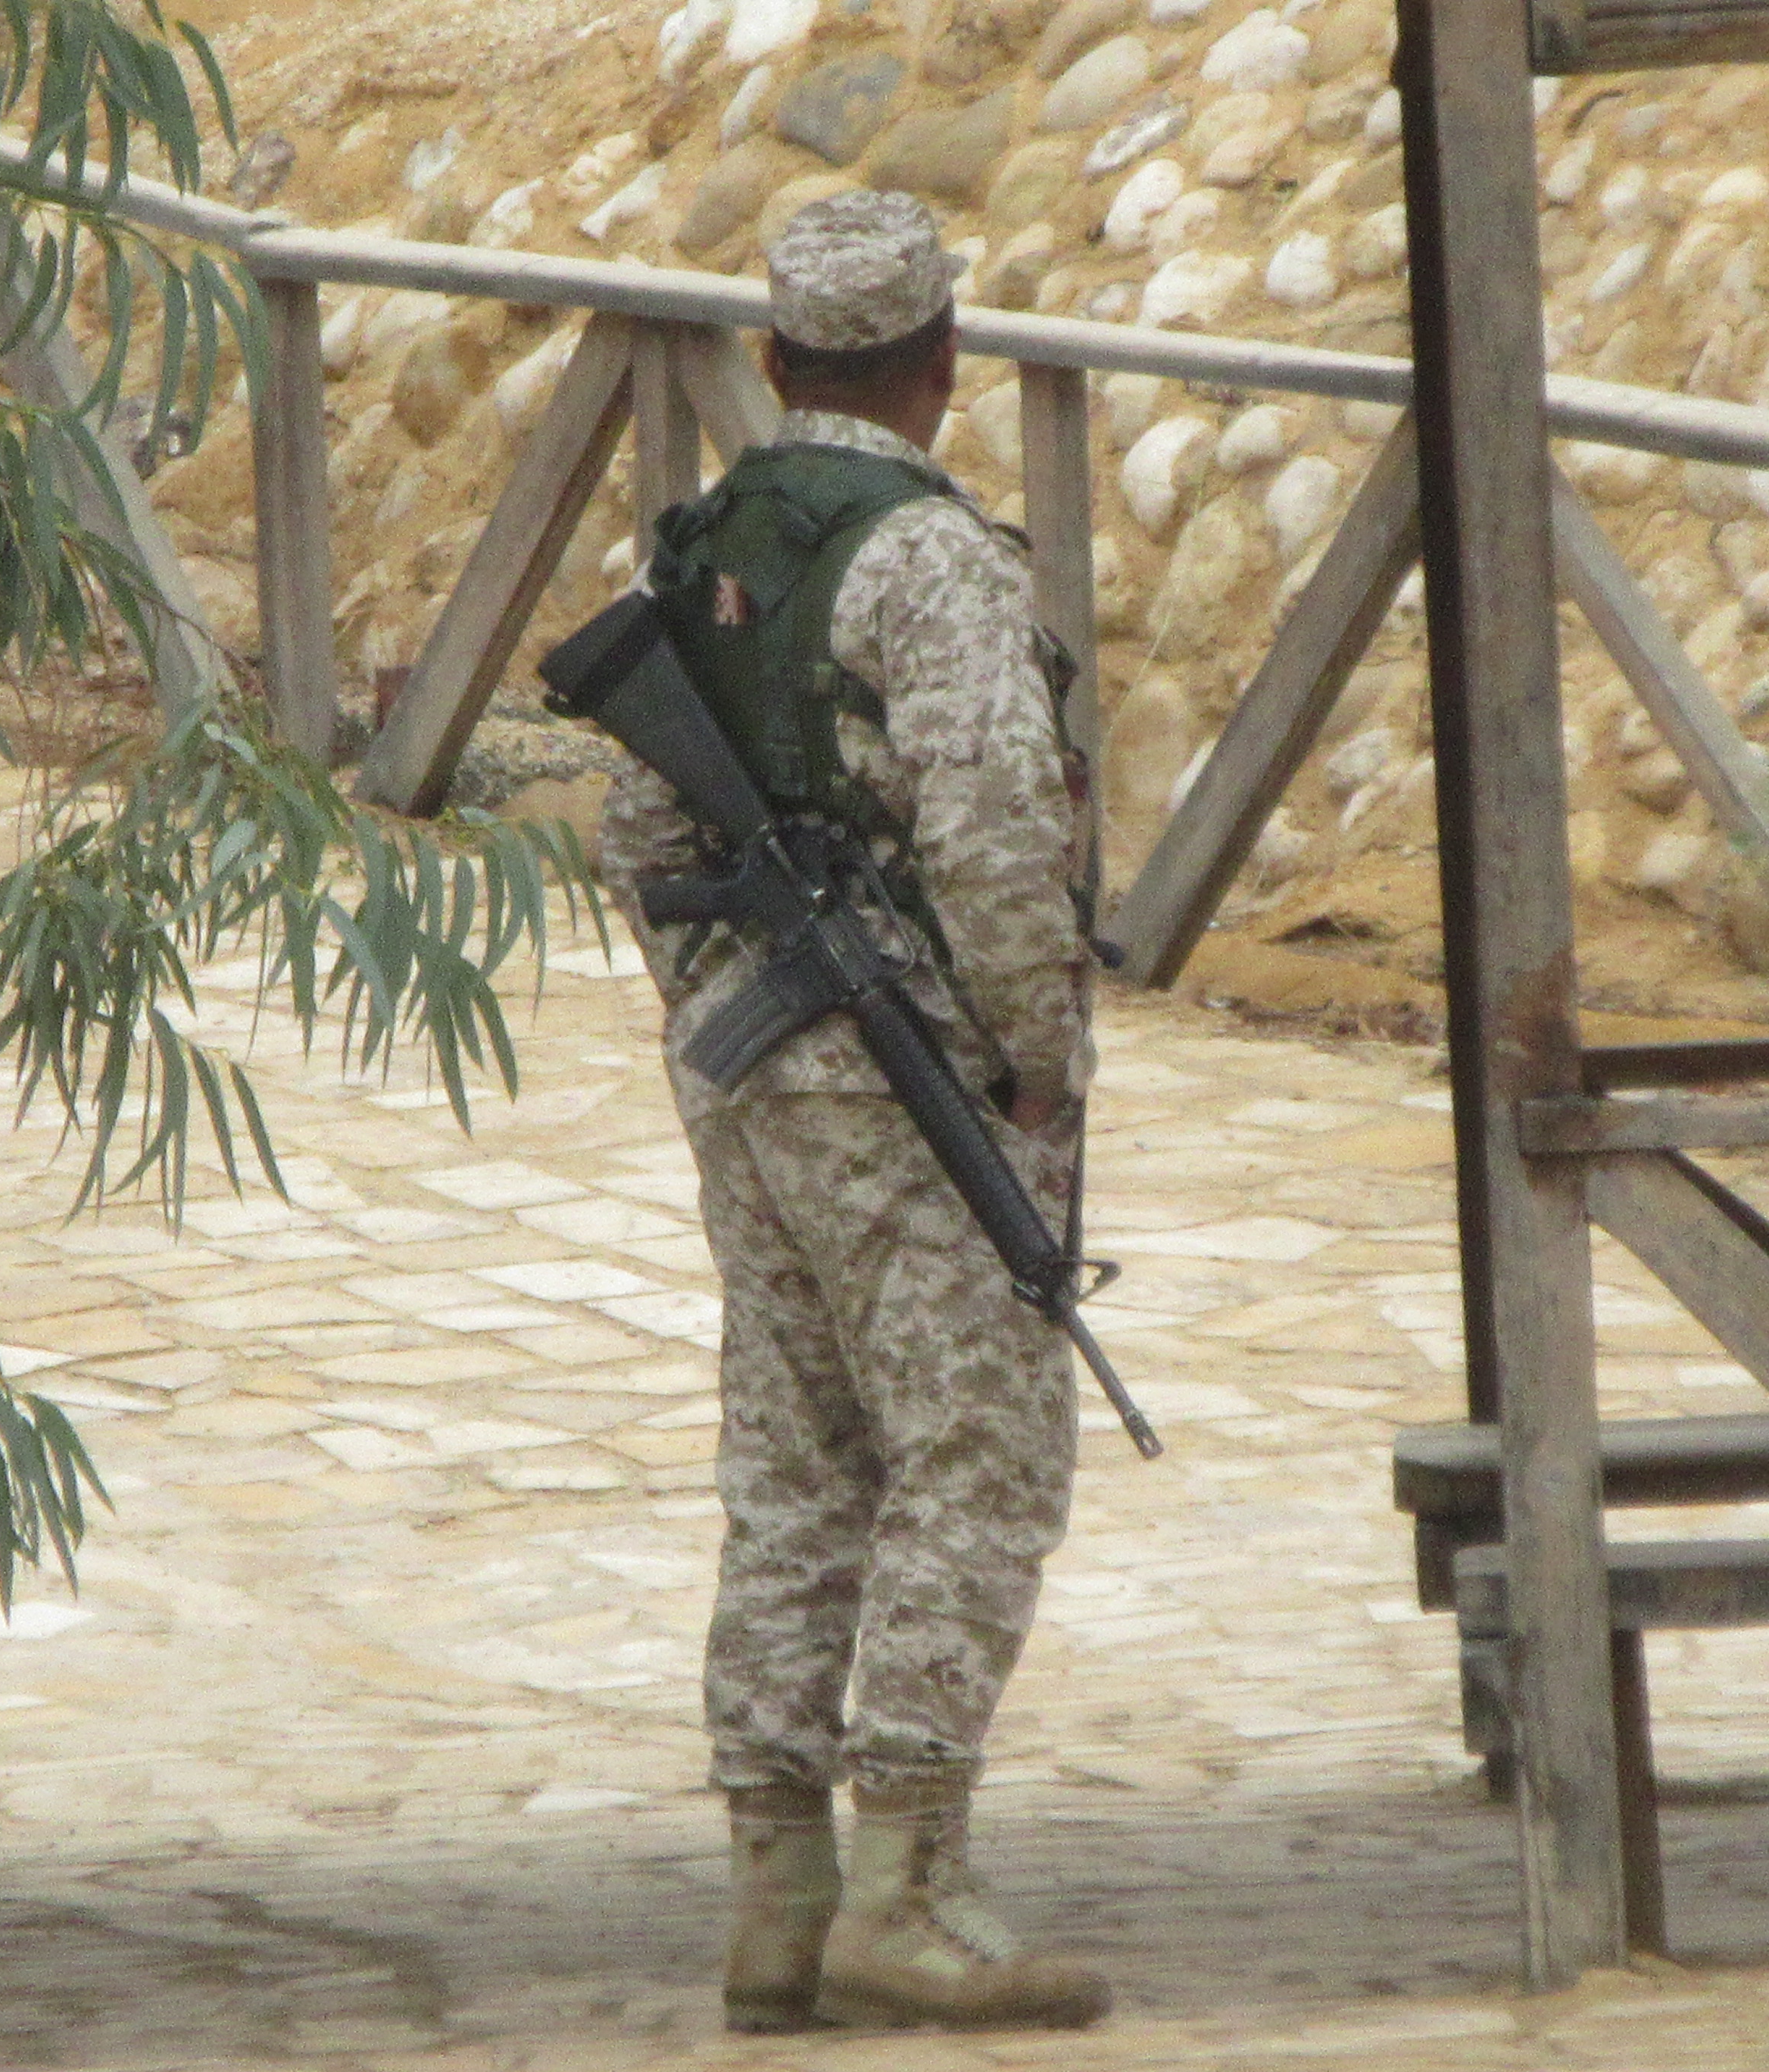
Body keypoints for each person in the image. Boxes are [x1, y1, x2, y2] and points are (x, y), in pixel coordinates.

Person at [596, 189, 1109, 2034]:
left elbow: (639, 830)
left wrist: (721, 1017)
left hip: (753, 1071)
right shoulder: (932, 560)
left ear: (776, 358)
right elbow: (995, 832)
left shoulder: (705, 545)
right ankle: (905, 1887)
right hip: (909, 1074)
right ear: (943, 358)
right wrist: (1034, 1059)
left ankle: (777, 1897)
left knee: (799, 1463)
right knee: (979, 1455)